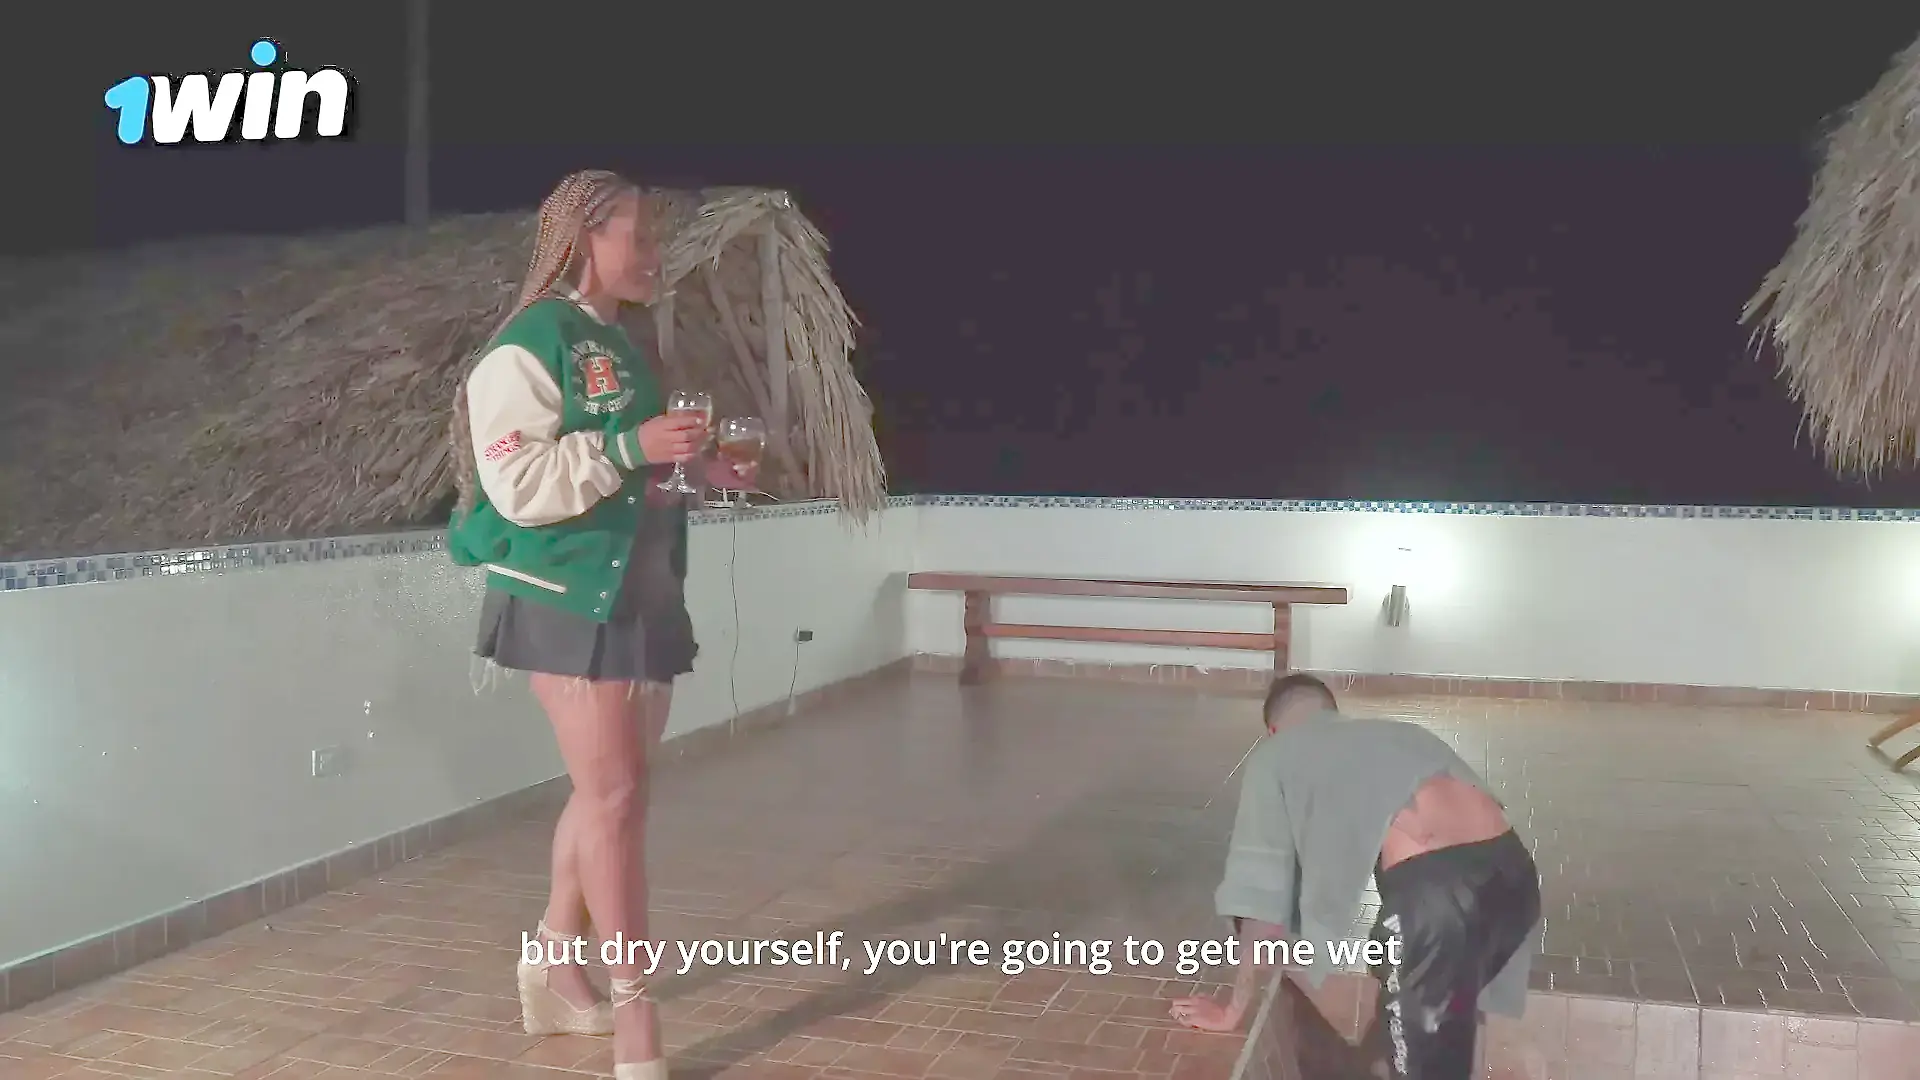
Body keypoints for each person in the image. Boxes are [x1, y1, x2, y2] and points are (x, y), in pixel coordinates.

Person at [447, 169, 755, 1080]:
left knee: (611, 795)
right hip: (563, 591)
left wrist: (694, 472)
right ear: (586, 237)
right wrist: (629, 445)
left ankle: (553, 958)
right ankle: (634, 1013)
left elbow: (630, 475)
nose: (655, 253)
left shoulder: (622, 344)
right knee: (614, 798)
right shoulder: (526, 346)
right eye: (639, 236)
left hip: (641, 588)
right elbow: (518, 484)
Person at [1169, 673, 1540, 1080]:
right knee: (1425, 1033)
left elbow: (1258, 901)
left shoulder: (1274, 755)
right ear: (1332, 712)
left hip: (1438, 899)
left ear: (1273, 730)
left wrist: (1231, 1010)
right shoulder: (1400, 735)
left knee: (1413, 1055)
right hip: (1515, 878)